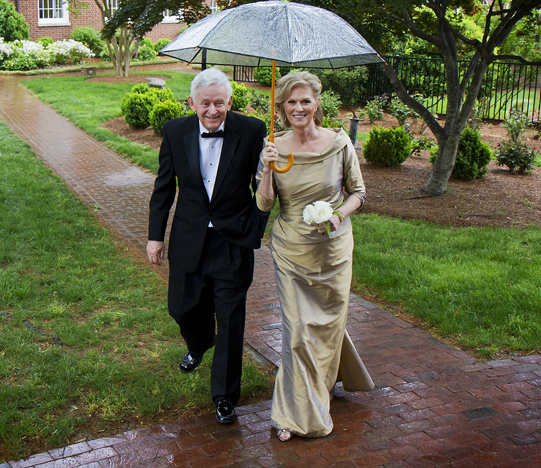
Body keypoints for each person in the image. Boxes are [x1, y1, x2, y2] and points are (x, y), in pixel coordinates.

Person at [257, 71, 374, 442]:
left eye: (305, 100)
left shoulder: (339, 143)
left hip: (334, 251)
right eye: (291, 101)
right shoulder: (273, 145)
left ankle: (323, 385)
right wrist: (266, 168)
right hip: (291, 248)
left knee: (326, 325)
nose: (299, 108)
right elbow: (264, 203)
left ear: (317, 103)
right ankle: (296, 415)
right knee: (297, 333)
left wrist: (338, 214)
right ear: (282, 107)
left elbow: (358, 193)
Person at [147, 68, 269, 424]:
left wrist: (253, 228)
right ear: (192, 103)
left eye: (220, 103)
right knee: (182, 307)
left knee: (230, 322)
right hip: (189, 238)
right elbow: (164, 188)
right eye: (205, 104)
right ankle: (199, 343)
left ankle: (225, 396)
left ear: (230, 101)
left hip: (232, 241)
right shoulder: (174, 131)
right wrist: (156, 236)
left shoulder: (252, 131)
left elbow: (265, 186)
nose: (213, 110)